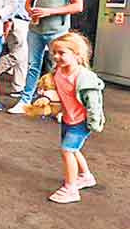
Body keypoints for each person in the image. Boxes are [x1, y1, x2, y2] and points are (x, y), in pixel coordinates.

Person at [9, 0, 84, 114]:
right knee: (33, 66)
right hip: (36, 30)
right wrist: (31, 12)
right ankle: (25, 101)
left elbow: (78, 6)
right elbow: (28, 2)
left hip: (58, 31)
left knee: (60, 67)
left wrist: (50, 12)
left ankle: (63, 106)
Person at [41, 32, 105, 203]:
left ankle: (71, 189)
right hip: (68, 119)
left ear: (77, 55)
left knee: (67, 150)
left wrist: (94, 122)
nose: (56, 56)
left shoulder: (84, 77)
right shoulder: (58, 71)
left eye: (62, 53)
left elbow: (94, 102)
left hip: (81, 121)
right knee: (73, 149)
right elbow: (54, 88)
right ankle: (85, 176)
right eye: (54, 53)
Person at [0, 0, 41, 98]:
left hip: (24, 21)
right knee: (19, 54)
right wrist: (8, 20)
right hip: (17, 20)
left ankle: (18, 87)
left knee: (23, 56)